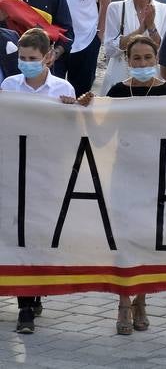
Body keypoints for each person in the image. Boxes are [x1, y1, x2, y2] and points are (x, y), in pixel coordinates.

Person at [1, 27, 91, 334]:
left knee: (40, 235)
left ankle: (35, 290)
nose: (26, 63)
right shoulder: (10, 85)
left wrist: (72, 110)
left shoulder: (60, 88)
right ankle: (25, 305)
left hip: (48, 172)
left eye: (33, 58)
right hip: (16, 168)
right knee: (19, 233)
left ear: (47, 58)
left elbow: (74, 131)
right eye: (23, 58)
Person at [105, 34, 166, 333]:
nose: (143, 63)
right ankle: (123, 302)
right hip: (123, 173)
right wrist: (81, 105)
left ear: (156, 60)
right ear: (128, 61)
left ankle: (142, 300)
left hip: (155, 175)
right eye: (137, 58)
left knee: (147, 239)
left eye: (148, 58)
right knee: (122, 240)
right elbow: (101, 131)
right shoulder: (118, 91)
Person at [101, 0, 166, 94]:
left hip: (152, 76)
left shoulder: (165, 10)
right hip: (120, 74)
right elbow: (110, 49)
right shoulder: (116, 8)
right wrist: (140, 30)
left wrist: (151, 27)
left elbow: (163, 49)